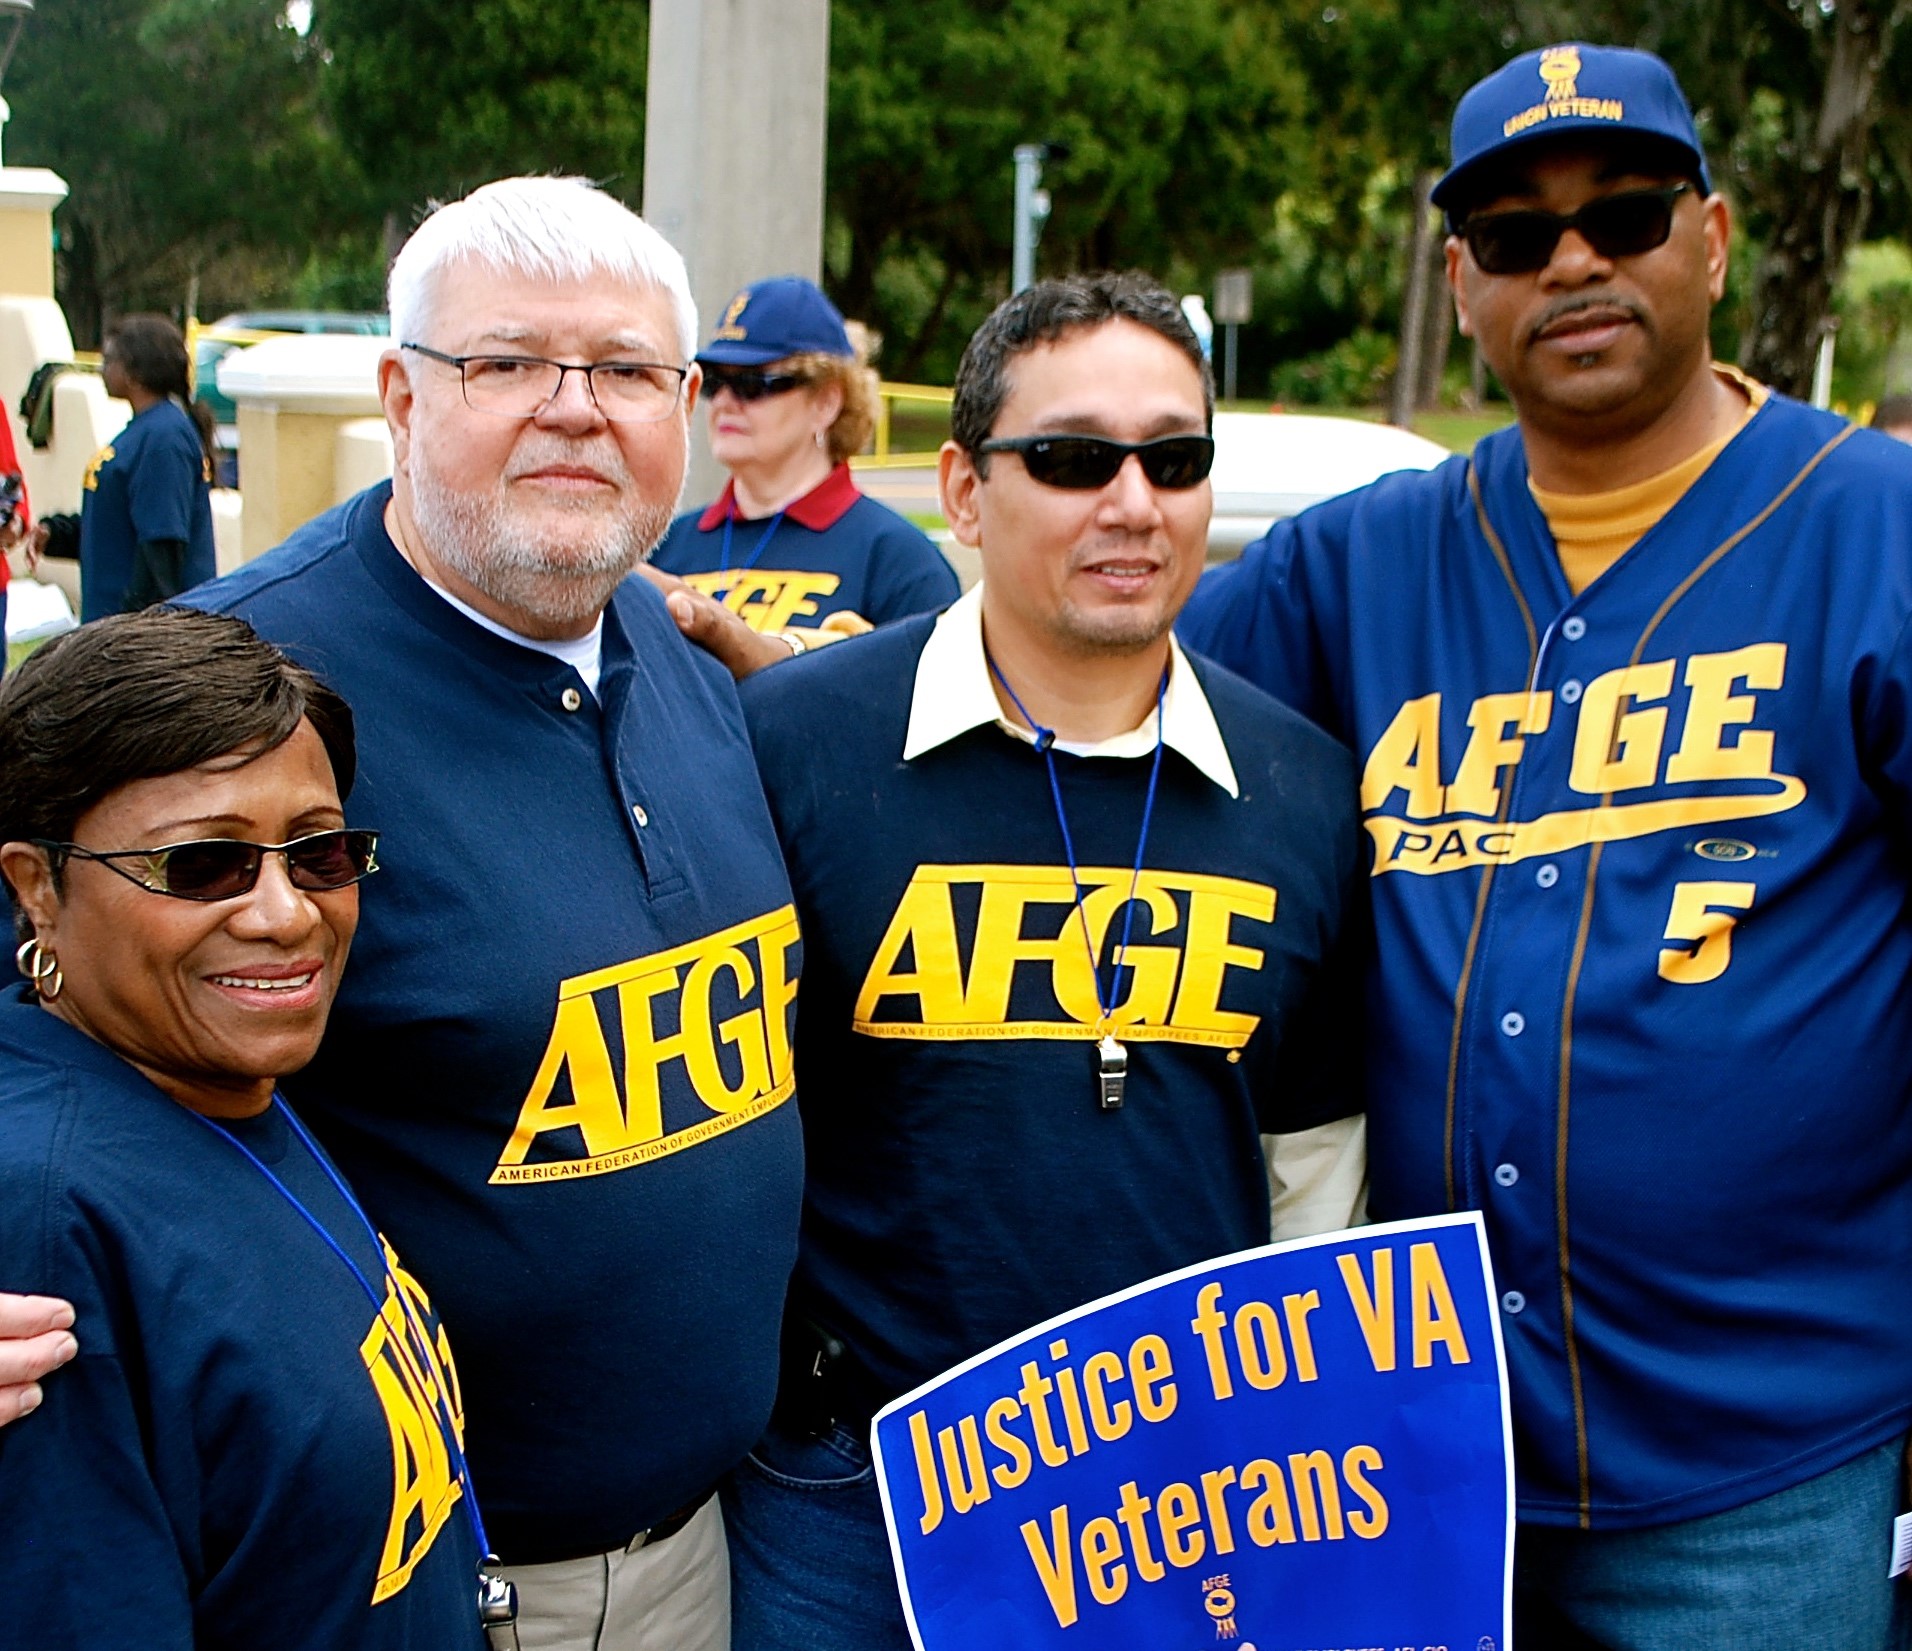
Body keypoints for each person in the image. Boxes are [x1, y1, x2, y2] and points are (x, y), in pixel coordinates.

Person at [1179, 42, 1912, 1651]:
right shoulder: (1356, 562)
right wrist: (807, 700)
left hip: (1763, 1454)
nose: (1572, 259)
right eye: (1514, 235)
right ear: (1462, 281)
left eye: (1626, 213)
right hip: (1417, 1440)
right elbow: (1101, 708)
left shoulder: (1876, 525)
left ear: (1712, 239)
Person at [725, 272, 1366, 1649]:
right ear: (962, 488)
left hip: (1181, 1499)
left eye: (1175, 458)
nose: (1132, 502)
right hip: (852, 1493)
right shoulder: (792, 746)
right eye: (1074, 458)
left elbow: (1314, 1162)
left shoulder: (1305, 789)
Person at [0, 606, 487, 1648]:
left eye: (319, 855)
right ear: (37, 885)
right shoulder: (44, 1226)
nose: (284, 912)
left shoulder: (216, 1077)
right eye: (203, 866)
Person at [652, 275, 958, 641]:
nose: (723, 403)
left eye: (752, 384)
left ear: (826, 403)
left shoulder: (901, 562)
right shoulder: (665, 546)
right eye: (715, 382)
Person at [44, 315, 217, 622]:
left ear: (136, 373)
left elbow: (162, 550)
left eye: (109, 359)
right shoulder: (145, 431)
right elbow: (118, 529)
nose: (102, 369)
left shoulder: (165, 437)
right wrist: (55, 534)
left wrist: (129, 631)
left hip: (138, 641)